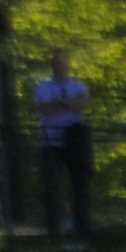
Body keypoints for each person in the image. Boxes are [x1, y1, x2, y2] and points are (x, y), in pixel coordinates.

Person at [33, 48, 92, 233]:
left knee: (79, 184)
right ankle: (53, 227)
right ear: (52, 66)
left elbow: (83, 103)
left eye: (62, 63)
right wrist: (68, 103)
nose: (59, 66)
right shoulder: (43, 87)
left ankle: (82, 226)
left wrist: (59, 103)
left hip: (75, 142)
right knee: (52, 185)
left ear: (68, 65)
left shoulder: (78, 86)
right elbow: (44, 108)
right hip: (51, 143)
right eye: (56, 63)